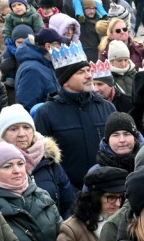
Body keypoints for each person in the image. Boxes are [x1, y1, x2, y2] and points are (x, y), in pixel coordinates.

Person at [33, 43, 116, 189]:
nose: (89, 75)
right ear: (65, 80)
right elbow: (44, 161)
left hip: (107, 191)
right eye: (80, 72)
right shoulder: (46, 113)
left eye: (88, 70)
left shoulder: (107, 108)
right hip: (70, 197)